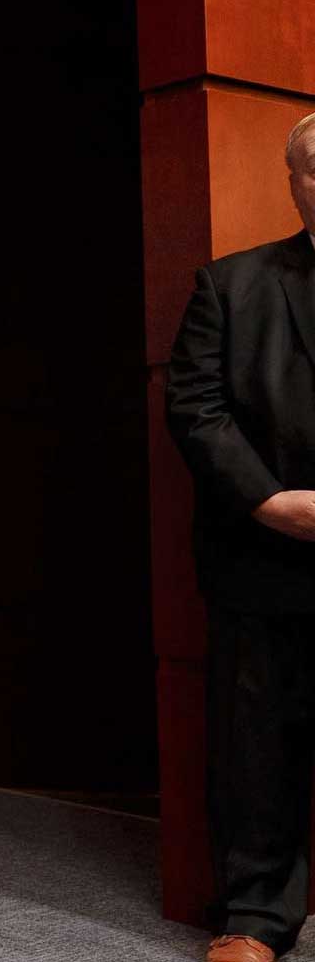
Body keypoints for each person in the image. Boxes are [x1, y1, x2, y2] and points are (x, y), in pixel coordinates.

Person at [166, 112, 315, 962]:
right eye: (314, 169)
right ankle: (256, 922)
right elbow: (195, 409)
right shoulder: (231, 285)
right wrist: (270, 504)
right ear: (292, 181)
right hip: (263, 557)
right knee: (258, 750)